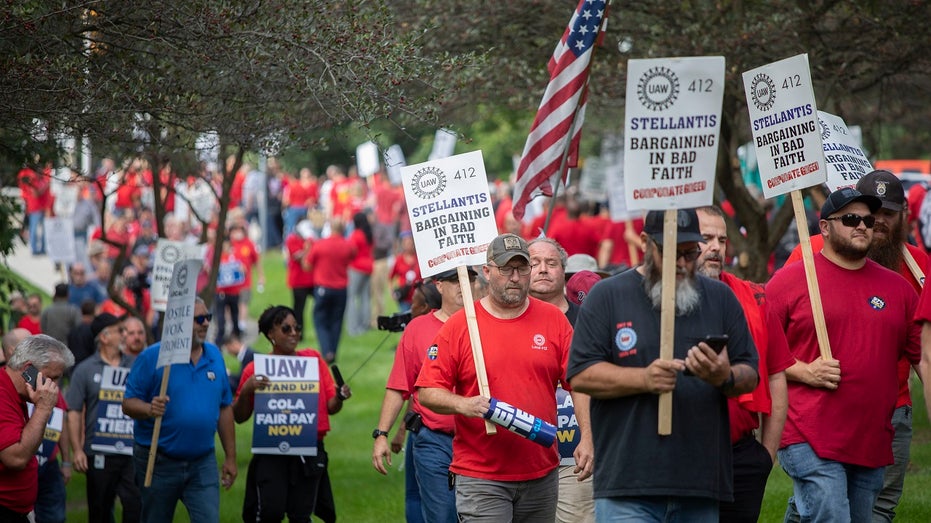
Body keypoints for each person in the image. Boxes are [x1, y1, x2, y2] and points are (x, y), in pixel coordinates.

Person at [567, 208, 759, 522]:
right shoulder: (607, 296)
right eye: (672, 252)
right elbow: (582, 375)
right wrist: (644, 379)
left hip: (699, 483)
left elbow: (750, 373)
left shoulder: (720, 298)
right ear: (645, 242)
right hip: (627, 484)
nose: (682, 263)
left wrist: (723, 376)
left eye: (690, 252)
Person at [767, 188, 920, 522]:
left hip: (870, 437)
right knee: (831, 513)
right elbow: (757, 350)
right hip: (808, 433)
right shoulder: (790, 281)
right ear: (824, 227)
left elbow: (924, 358)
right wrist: (805, 371)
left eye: (868, 219)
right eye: (851, 219)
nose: (863, 226)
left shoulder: (898, 290)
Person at [416, 233, 576, 521]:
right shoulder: (460, 326)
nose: (515, 277)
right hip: (481, 477)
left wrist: (588, 437)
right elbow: (427, 390)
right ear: (487, 272)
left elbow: (580, 384)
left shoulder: (554, 320)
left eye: (522, 268)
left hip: (542, 471)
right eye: (506, 269)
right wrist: (466, 405)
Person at [694, 205, 793, 522]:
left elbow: (777, 373)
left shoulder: (755, 298)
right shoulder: (660, 298)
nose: (715, 248)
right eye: (705, 238)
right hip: (681, 453)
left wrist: (767, 453)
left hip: (741, 456)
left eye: (721, 240)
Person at [121, 297, 237, 523]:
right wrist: (148, 408)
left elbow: (224, 407)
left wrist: (230, 457)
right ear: (179, 322)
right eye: (199, 319)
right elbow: (128, 403)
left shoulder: (214, 356)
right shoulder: (153, 356)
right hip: (159, 461)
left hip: (202, 461)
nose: (205, 323)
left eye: (208, 318)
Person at [372, 268, 473, 523]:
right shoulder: (417, 329)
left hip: (481, 440)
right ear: (439, 285)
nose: (464, 285)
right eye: (455, 280)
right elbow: (398, 386)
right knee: (442, 517)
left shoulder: (485, 324)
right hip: (434, 440)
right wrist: (382, 434)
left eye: (469, 279)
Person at [232, 305, 350, 522]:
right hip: (271, 452)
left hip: (309, 451)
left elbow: (331, 407)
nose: (294, 333)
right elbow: (239, 417)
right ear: (270, 334)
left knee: (301, 515)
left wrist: (339, 397)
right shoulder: (255, 369)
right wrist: (247, 391)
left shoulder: (313, 360)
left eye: (297, 328)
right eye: (286, 329)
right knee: (270, 512)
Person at [526, 237, 594, 523]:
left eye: (551, 263)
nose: (542, 269)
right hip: (524, 456)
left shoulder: (590, 321)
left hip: (577, 457)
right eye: (534, 263)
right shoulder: (508, 321)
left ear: (563, 272)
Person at [66, 313, 142, 523]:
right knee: (99, 510)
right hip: (98, 452)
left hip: (131, 451)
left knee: (135, 506)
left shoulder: (135, 365)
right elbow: (73, 411)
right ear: (105, 337)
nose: (125, 334)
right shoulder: (84, 370)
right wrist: (77, 449)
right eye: (120, 330)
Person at [0, 334, 74, 522]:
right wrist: (43, 408)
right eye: (52, 378)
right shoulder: (2, 394)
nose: (54, 387)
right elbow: (15, 458)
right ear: (28, 370)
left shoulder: (17, 393)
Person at [308, 219, 356, 362]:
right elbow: (352, 256)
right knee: (336, 321)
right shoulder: (347, 245)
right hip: (341, 289)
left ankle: (326, 350)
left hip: (323, 288)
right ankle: (333, 351)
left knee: (320, 320)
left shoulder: (320, 244)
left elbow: (308, 265)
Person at [285, 219, 316, 336]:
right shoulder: (292, 239)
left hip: (312, 279)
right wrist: (307, 249)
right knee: (299, 309)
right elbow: (296, 256)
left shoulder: (311, 238)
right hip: (298, 280)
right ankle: (298, 333)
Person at [346, 212, 374, 336]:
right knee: (364, 297)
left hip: (356, 267)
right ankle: (364, 324)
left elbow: (350, 251)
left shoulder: (356, 235)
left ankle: (353, 327)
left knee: (351, 297)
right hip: (368, 266)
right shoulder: (369, 234)